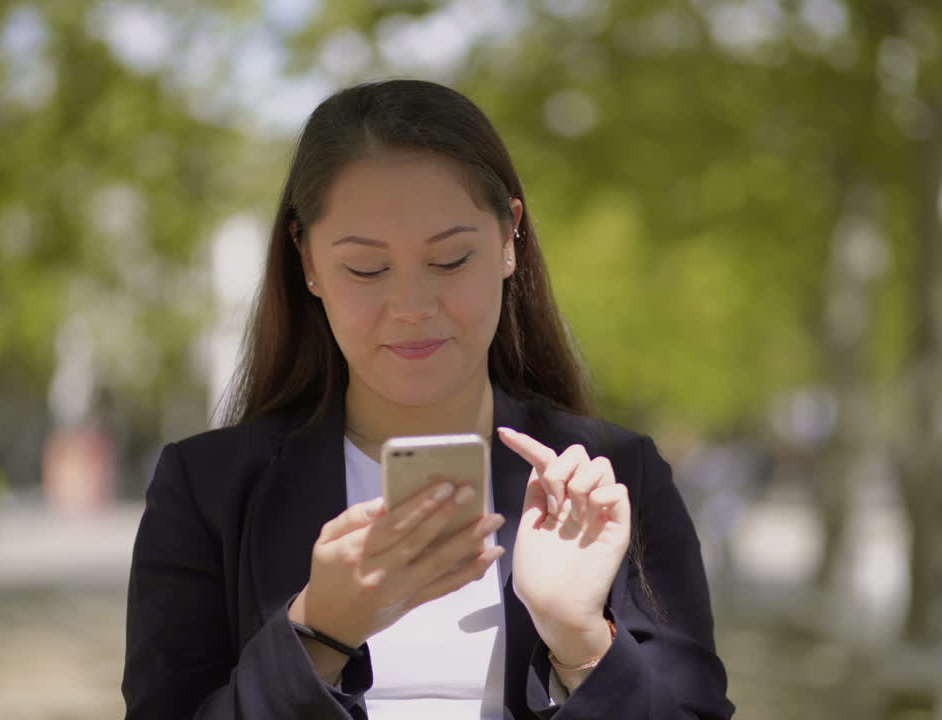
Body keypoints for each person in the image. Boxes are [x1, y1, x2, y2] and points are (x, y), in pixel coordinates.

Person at [122, 79, 733, 720]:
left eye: (449, 259)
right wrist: (317, 634)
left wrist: (580, 640)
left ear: (508, 239)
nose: (412, 308)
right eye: (366, 269)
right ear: (307, 260)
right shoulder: (208, 488)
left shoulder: (612, 479)